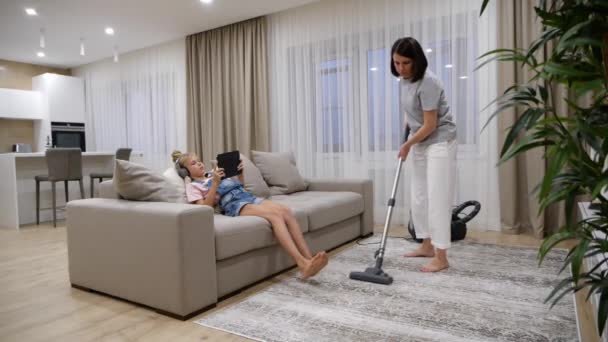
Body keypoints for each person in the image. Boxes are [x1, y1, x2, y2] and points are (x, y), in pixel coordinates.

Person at [171, 150, 328, 279]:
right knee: (275, 217)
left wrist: (240, 175)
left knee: (286, 211)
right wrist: (216, 184)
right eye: (193, 163)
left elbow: (241, 188)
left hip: (247, 197)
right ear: (185, 171)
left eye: (199, 160)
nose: (199, 163)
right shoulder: (193, 186)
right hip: (234, 205)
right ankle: (301, 264)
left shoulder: (214, 174)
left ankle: (310, 259)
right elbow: (205, 208)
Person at [391, 37, 458, 272]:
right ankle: (426, 245)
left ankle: (442, 256)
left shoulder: (428, 82)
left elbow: (430, 124)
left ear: (417, 61)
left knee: (437, 196)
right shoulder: (403, 81)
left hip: (439, 140)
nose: (401, 68)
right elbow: (410, 114)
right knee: (419, 196)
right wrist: (406, 136)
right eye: (397, 63)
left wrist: (407, 144)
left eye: (406, 63)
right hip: (420, 141)